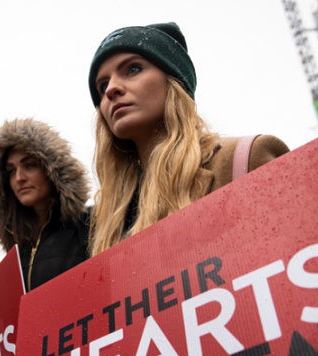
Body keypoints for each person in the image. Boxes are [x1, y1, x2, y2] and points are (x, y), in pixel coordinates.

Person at [87, 22, 290, 255]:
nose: (112, 88)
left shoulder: (247, 158)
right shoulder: (108, 218)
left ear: (174, 82)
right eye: (102, 86)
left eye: (133, 69)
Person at [0, 117, 91, 305]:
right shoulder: (16, 250)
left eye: (29, 165)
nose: (19, 178)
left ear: (51, 169)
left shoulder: (89, 224)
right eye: (10, 171)